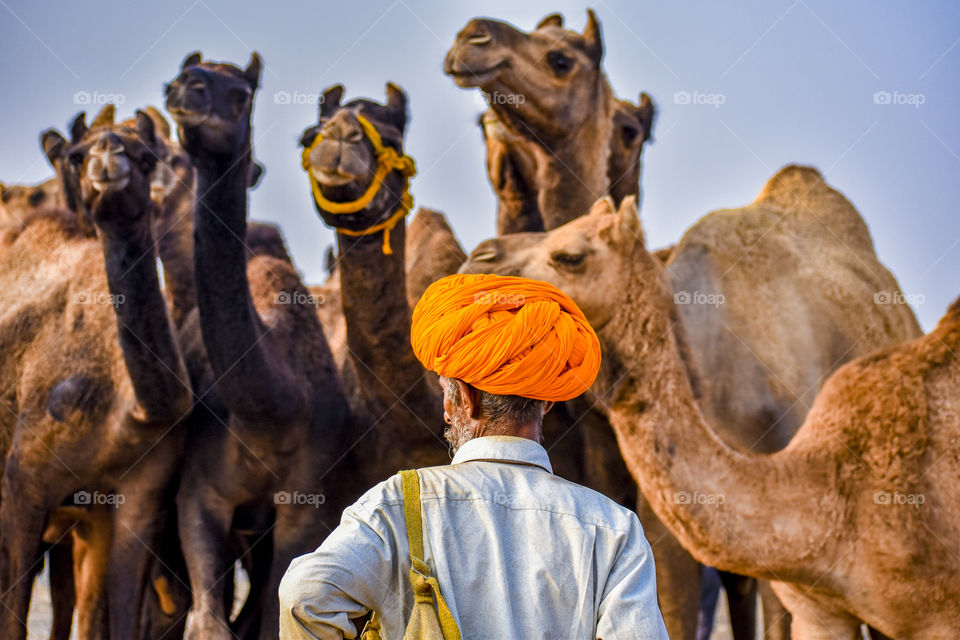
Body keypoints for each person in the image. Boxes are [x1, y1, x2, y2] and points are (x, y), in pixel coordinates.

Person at [279, 274, 668, 639]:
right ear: (546, 403)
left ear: (463, 399)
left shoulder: (397, 504)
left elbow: (304, 596)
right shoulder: (613, 528)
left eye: (447, 394)